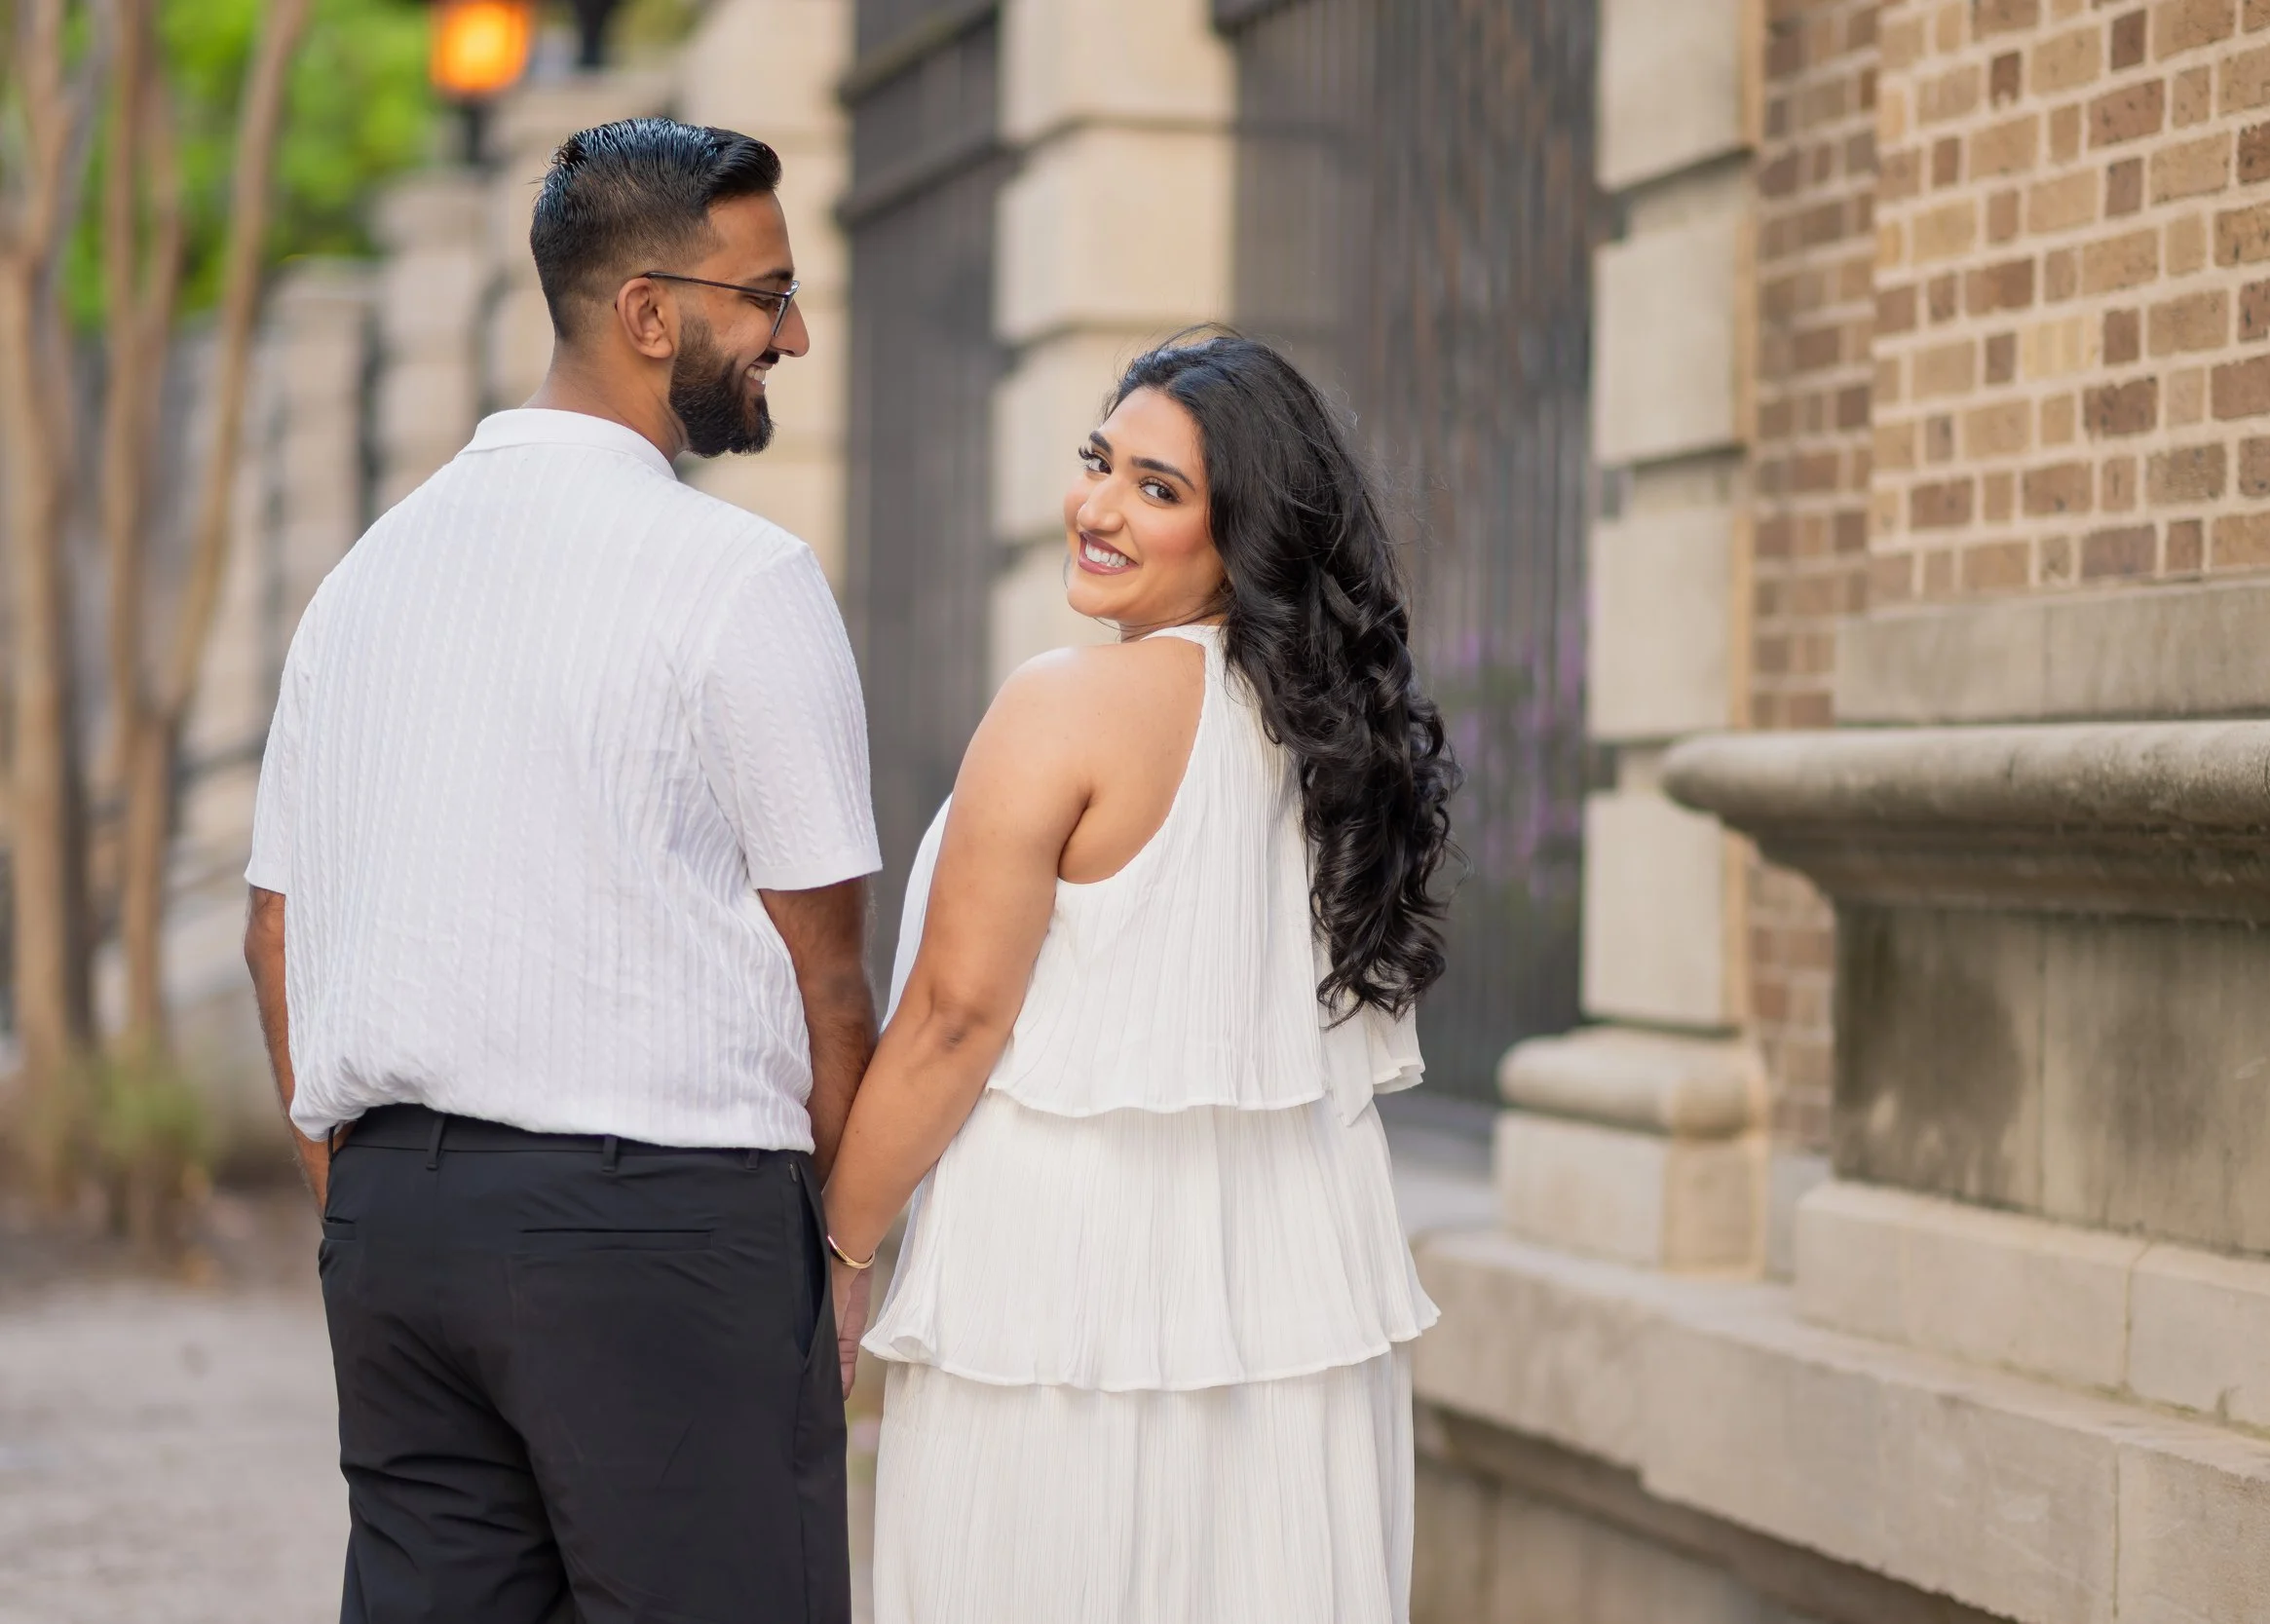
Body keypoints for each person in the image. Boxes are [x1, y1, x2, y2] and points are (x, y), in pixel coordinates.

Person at [243, 117, 877, 1624]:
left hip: (400, 1231)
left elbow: (277, 933)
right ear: (649, 313)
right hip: (665, 1237)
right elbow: (831, 978)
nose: (792, 331)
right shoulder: (742, 582)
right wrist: (837, 1255)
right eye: (764, 292)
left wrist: (371, 1192)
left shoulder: (365, 578)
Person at [820, 331, 1462, 1623]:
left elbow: (954, 1018)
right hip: (1294, 1318)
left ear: (1249, 535)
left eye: (1158, 490)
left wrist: (836, 1243)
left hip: (1062, 1310)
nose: (1100, 508)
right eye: (1099, 463)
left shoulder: (1064, 707)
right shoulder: (1339, 750)